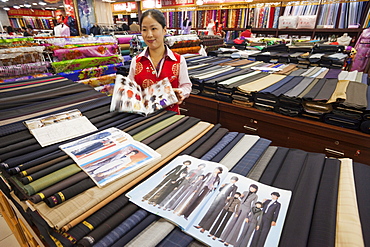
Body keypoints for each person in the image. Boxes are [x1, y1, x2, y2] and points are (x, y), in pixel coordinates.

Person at [128, 9, 192, 114]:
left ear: (164, 30)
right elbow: (130, 90)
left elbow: (186, 85)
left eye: (154, 29)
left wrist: (181, 93)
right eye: (144, 29)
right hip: (143, 119)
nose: (149, 35)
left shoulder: (178, 60)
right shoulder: (136, 61)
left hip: (171, 118)